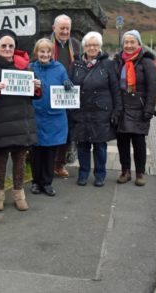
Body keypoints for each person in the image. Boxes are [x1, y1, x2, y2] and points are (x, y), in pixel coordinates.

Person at [0, 29, 41, 211]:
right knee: (0, 161)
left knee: (19, 160)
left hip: (21, 122)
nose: (8, 48)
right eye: (4, 45)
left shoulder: (25, 67)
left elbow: (35, 96)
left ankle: (19, 193)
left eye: (11, 45)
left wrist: (36, 87)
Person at [69, 32, 122, 187]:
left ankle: (100, 175)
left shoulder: (108, 64)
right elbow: (69, 83)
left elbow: (115, 89)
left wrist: (117, 110)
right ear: (84, 47)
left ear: (100, 46)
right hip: (81, 111)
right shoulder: (76, 64)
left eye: (95, 45)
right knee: (83, 145)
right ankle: (83, 174)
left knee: (100, 146)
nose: (92, 48)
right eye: (89, 45)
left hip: (101, 112)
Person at [113, 30, 156, 186]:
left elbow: (152, 89)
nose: (129, 45)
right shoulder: (118, 61)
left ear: (139, 44)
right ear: (123, 44)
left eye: (133, 42)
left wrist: (149, 110)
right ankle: (125, 171)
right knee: (122, 143)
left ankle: (139, 173)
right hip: (122, 109)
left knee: (139, 144)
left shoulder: (147, 62)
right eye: (126, 42)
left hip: (140, 109)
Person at [29, 38, 70, 196]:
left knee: (50, 153)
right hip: (36, 116)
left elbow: (66, 81)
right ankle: (35, 182)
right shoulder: (30, 68)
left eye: (47, 51)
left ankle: (47, 183)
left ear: (52, 53)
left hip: (54, 118)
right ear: (36, 53)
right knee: (36, 153)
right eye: (41, 51)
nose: (44, 54)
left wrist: (67, 83)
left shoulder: (59, 68)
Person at [50, 14, 82, 178]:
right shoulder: (46, 44)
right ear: (53, 28)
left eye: (67, 28)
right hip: (50, 93)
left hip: (69, 94)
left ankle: (59, 164)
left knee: (67, 131)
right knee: (50, 129)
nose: (64, 31)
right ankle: (48, 164)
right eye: (61, 28)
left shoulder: (76, 45)